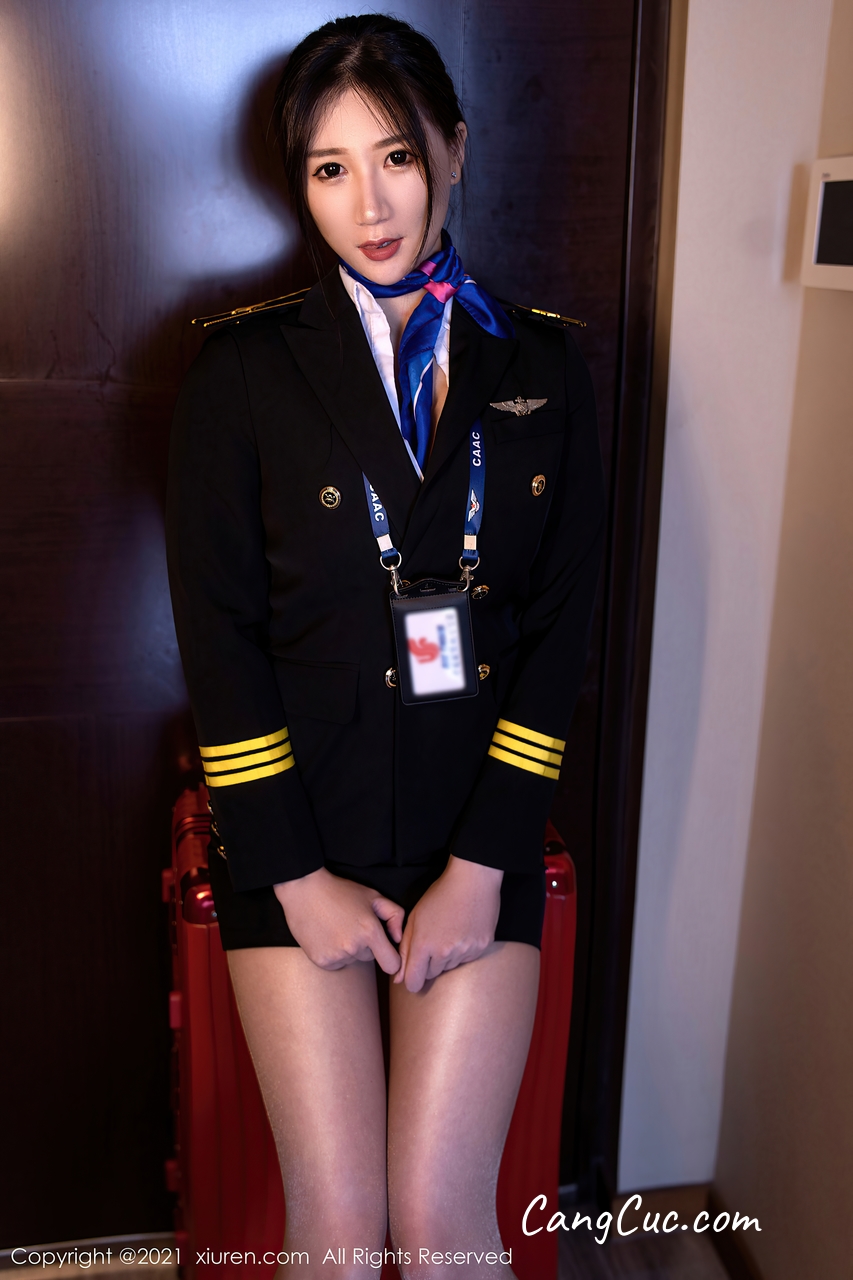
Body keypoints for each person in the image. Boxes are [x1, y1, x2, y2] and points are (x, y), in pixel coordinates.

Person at [166, 14, 605, 1280]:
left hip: (475, 835)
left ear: (454, 150)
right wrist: (293, 871)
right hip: (297, 837)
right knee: (341, 1234)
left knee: (446, 1224)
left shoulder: (543, 364)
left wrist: (482, 861)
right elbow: (219, 634)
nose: (369, 205)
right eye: (330, 168)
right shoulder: (239, 373)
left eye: (397, 157)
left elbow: (558, 628)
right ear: (299, 184)